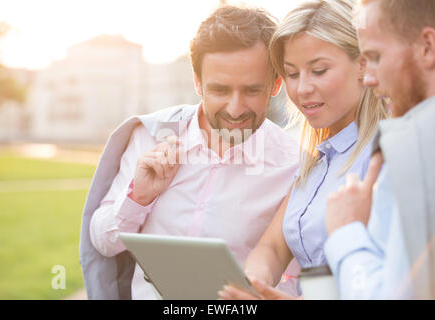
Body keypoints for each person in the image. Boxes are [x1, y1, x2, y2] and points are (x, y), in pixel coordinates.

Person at [79, 5, 300, 300]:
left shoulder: (293, 166)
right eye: (220, 90)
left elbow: (293, 276)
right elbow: (102, 243)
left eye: (251, 90)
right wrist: (138, 197)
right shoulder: (148, 137)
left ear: (275, 84)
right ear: (197, 81)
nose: (235, 109)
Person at [218, 0, 388, 300]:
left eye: (319, 71)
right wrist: (254, 285)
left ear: (362, 64)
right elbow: (272, 247)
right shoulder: (316, 163)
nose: (301, 89)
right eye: (292, 74)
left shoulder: (384, 157)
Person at [324, 0, 435, 299]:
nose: (369, 78)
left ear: (427, 46)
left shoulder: (419, 149)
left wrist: (347, 232)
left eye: (375, 57)